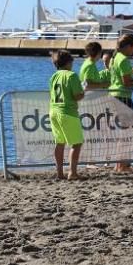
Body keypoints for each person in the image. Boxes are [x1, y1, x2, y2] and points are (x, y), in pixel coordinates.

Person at [108, 34, 133, 172]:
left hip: (115, 96)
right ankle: (122, 165)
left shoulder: (115, 57)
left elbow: (122, 77)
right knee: (127, 133)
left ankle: (119, 164)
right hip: (122, 97)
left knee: (123, 132)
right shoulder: (123, 59)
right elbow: (127, 82)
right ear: (129, 46)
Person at [49, 50, 86, 180]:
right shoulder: (71, 75)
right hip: (67, 112)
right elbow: (77, 96)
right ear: (69, 62)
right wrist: (84, 90)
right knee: (76, 144)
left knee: (60, 143)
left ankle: (59, 173)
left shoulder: (54, 76)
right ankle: (73, 172)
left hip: (54, 111)